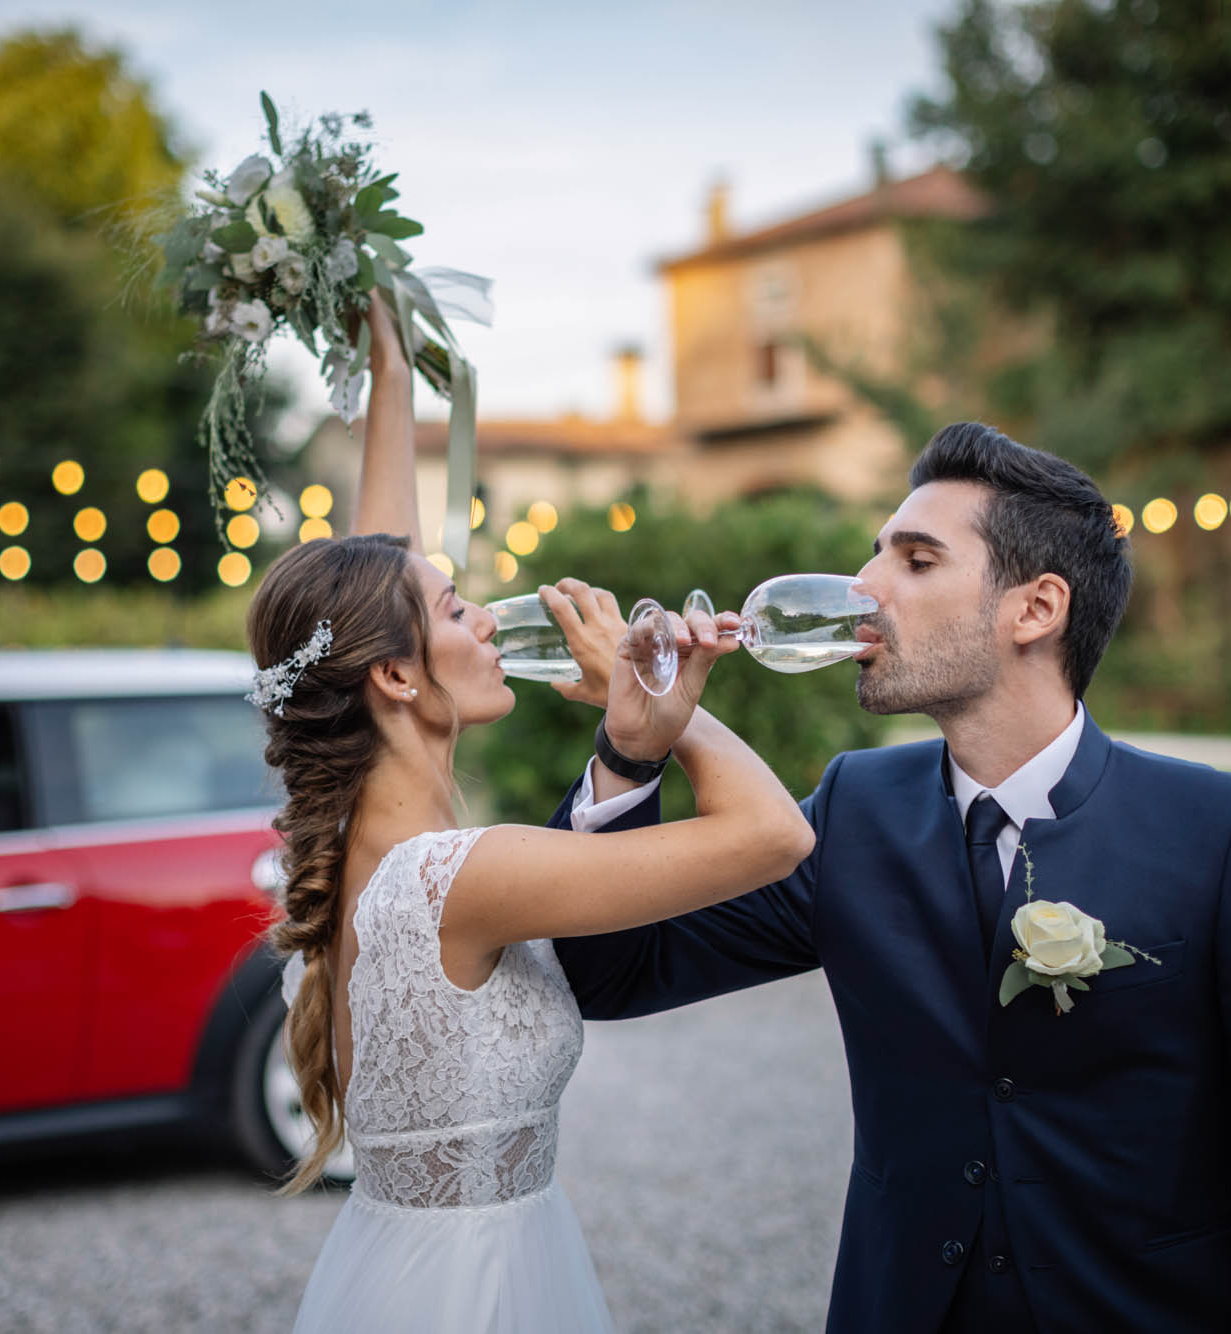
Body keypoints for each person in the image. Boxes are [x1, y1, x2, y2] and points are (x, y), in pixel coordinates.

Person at [549, 422, 1231, 1334]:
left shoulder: (1222, 834)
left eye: (915, 561)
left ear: (1036, 609)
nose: (865, 588)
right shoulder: (854, 811)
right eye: (877, 554)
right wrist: (629, 753)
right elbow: (612, 974)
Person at [259, 294, 814, 1334]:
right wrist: (660, 702)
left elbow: (372, 566)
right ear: (394, 674)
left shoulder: (344, 842)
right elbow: (776, 835)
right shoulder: (462, 876)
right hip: (474, 1294)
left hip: (406, 1267)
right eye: (455, 609)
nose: (486, 618)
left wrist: (391, 374)